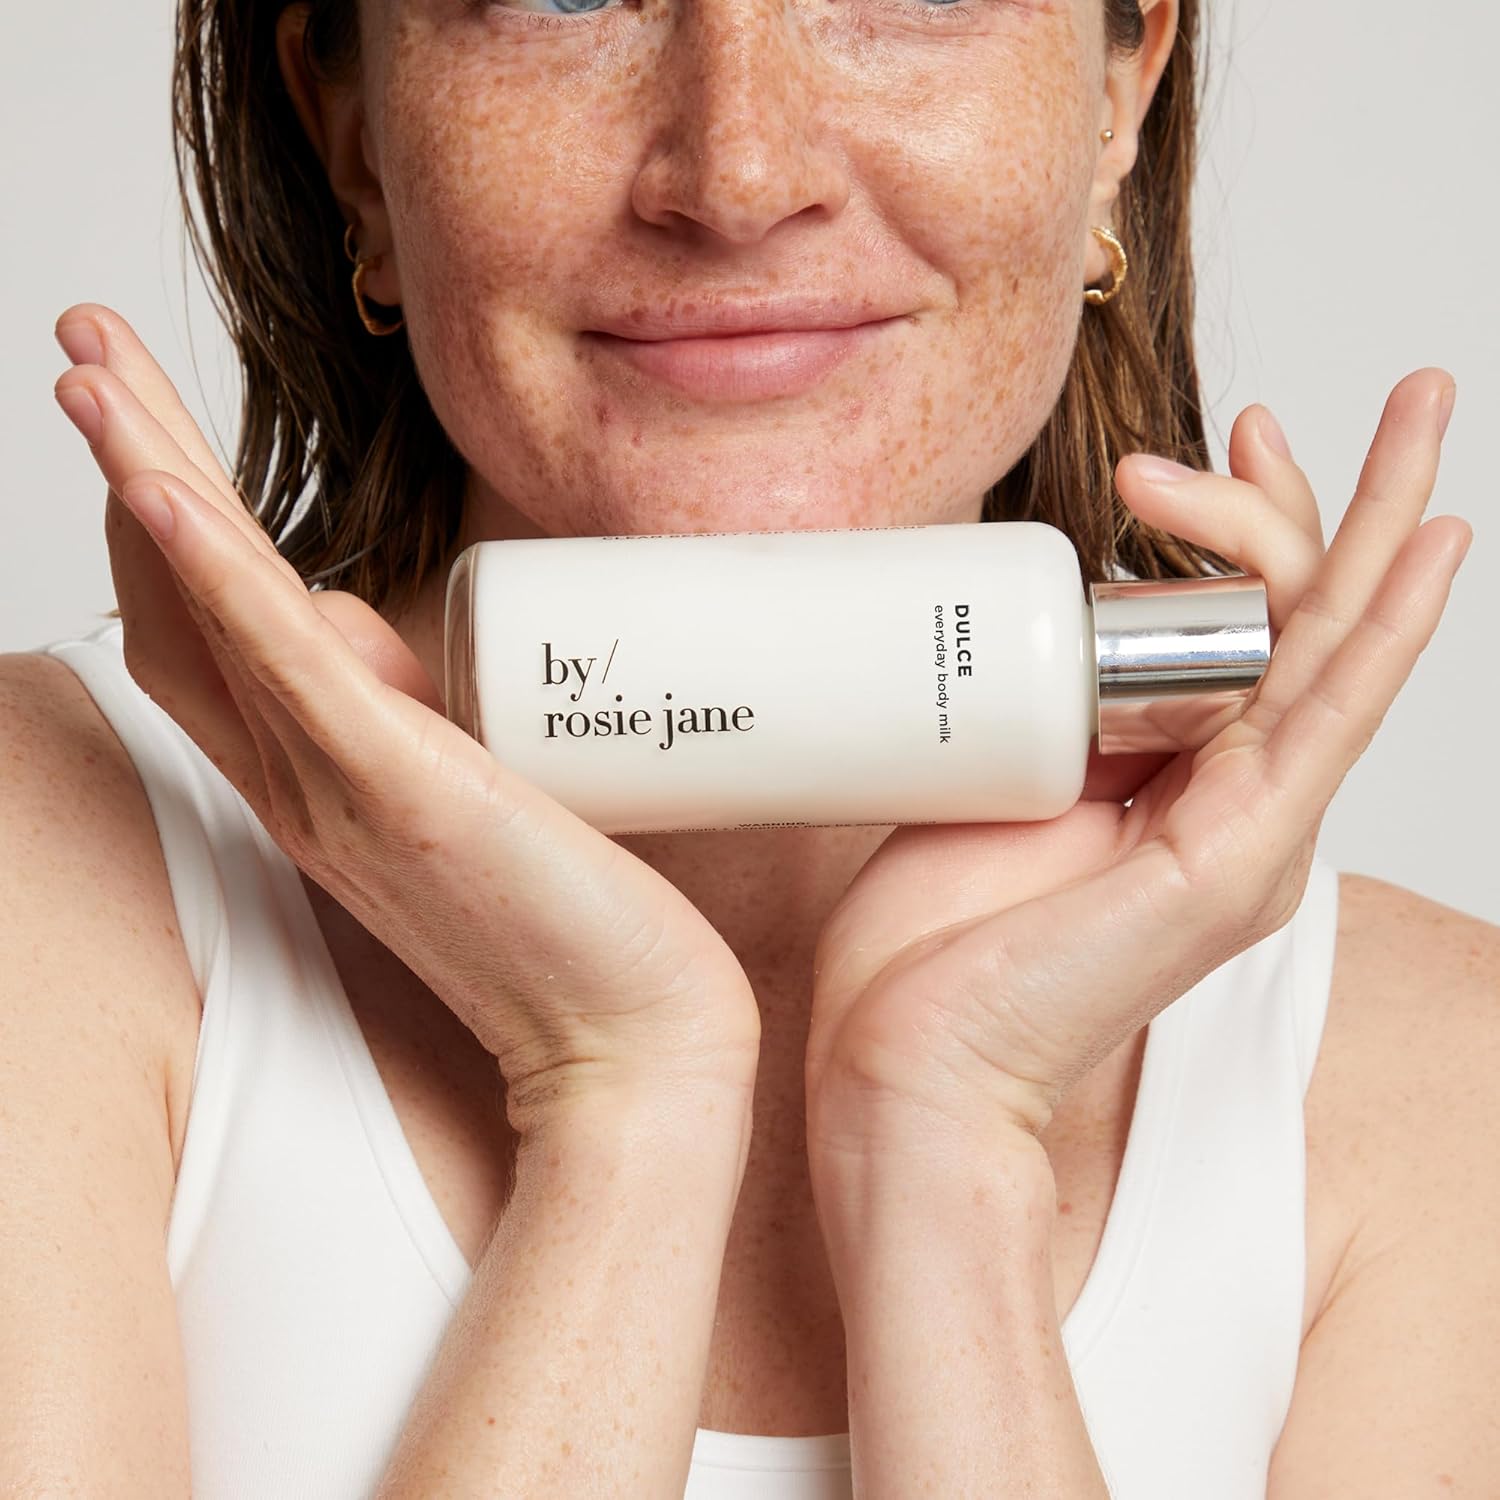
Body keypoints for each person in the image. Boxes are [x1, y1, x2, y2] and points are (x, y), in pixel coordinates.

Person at [4, 0, 1494, 1494]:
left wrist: (947, 1140)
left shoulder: (1436, 1091)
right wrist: (617, 1094)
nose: (738, 175)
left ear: (1120, 94)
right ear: (356, 139)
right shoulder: (52, 870)